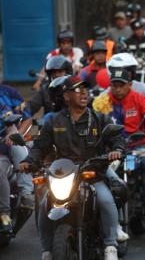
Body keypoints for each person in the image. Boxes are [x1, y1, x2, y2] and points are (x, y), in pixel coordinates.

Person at [19, 75, 125, 260]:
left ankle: (110, 246)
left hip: (92, 173)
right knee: (44, 206)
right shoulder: (53, 121)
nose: (84, 93)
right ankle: (47, 251)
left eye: (85, 89)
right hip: (63, 174)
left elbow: (117, 138)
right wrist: (28, 161)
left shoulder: (99, 118)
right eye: (77, 90)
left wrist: (116, 149)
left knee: (106, 201)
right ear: (66, 96)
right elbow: (40, 147)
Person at [92, 67, 145, 219]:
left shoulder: (139, 98)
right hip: (112, 149)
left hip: (135, 145)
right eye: (114, 85)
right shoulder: (102, 101)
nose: (117, 89)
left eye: (121, 85)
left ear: (130, 85)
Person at [0, 87, 34, 234]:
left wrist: (14, 134)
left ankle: (5, 214)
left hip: (5, 145)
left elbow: (27, 117)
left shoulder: (10, 93)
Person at [22, 55, 73, 133]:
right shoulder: (45, 89)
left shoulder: (74, 88)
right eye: (54, 72)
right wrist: (25, 109)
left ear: (67, 72)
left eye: (60, 71)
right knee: (41, 122)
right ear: (50, 74)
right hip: (49, 129)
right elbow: (32, 105)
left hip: (72, 128)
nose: (57, 74)